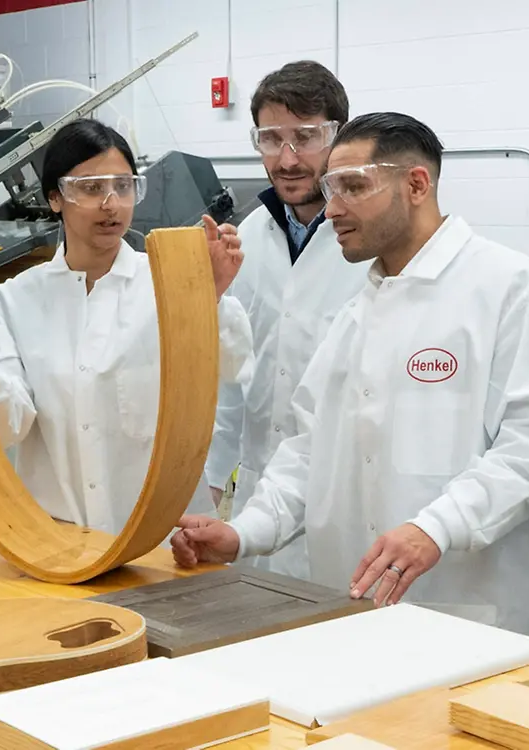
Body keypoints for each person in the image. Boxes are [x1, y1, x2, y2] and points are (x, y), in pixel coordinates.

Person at [172, 112, 529, 649]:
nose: (332, 210)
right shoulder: (357, 313)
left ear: (416, 184)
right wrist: (244, 533)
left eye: (353, 187)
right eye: (330, 188)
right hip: (355, 615)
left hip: (472, 617)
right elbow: (308, 451)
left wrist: (438, 526)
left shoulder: (511, 288)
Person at [0, 119, 253, 536]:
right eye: (90, 189)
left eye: (123, 187)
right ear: (55, 198)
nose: (111, 204)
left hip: (167, 537)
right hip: (62, 539)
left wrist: (209, 297)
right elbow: (8, 427)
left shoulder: (168, 283)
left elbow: (233, 369)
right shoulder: (15, 301)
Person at [204, 60, 369, 579]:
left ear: (339, 136)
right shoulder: (247, 239)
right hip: (259, 491)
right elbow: (231, 374)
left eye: (306, 137)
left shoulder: (371, 243)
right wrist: (213, 475)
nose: (288, 158)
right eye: (271, 139)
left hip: (349, 498)